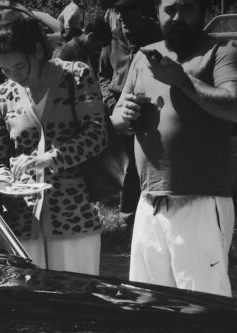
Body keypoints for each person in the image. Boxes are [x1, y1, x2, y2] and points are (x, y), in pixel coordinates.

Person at [110, 0, 237, 296]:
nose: (177, 17)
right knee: (147, 302)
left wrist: (181, 80)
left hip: (200, 201)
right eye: (170, 9)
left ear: (204, 12)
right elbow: (117, 116)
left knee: (202, 304)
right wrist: (123, 116)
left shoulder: (223, 52)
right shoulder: (144, 57)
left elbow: (233, 106)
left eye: (188, 8)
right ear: (157, 11)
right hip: (149, 201)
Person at [0, 17, 108, 274]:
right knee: (30, 305)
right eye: (5, 70)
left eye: (20, 66)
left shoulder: (75, 75)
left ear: (39, 51)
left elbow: (96, 135)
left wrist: (51, 158)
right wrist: (4, 180)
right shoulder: (2, 95)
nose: (14, 77)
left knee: (78, 298)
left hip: (73, 216)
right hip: (22, 221)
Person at [99, 0, 162, 218]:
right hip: (118, 105)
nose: (123, 18)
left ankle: (149, 207)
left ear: (141, 12)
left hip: (150, 104)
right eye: (120, 13)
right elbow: (104, 75)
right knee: (125, 161)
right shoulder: (112, 39)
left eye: (128, 12)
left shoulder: (157, 35)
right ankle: (127, 212)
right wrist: (111, 102)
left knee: (146, 158)